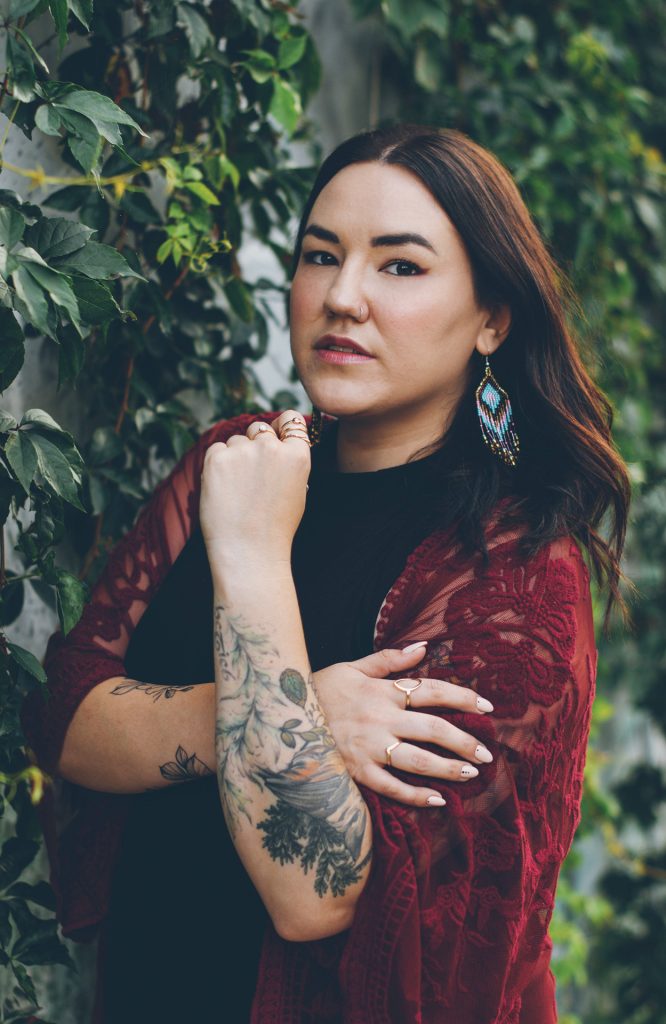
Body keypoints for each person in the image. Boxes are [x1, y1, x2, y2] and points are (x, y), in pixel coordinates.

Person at [24, 124, 630, 1023]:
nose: (342, 297)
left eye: (400, 266)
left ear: (492, 319)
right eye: (321, 255)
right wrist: (302, 708)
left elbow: (314, 892)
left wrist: (256, 559)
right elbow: (66, 719)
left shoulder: (514, 571)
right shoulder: (235, 461)